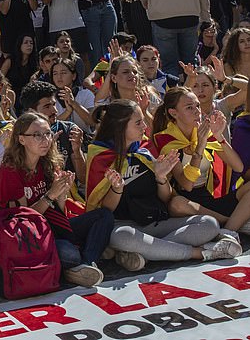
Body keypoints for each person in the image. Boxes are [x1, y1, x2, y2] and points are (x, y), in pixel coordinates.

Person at [85, 100, 238, 272]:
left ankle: (145, 253)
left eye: (143, 120)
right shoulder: (100, 155)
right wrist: (116, 189)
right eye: (138, 123)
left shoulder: (145, 149)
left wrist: (161, 178)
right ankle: (201, 253)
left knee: (209, 224)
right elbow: (102, 211)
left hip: (155, 223)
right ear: (119, 127)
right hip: (123, 226)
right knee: (122, 237)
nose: (144, 126)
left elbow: (167, 198)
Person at [0, 113, 113, 287]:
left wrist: (61, 194)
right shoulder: (10, 171)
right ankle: (80, 264)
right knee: (69, 254)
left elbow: (60, 212)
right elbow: (22, 221)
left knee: (104, 216)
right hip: (30, 236)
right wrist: (50, 195)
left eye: (48, 134)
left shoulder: (48, 163)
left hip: (53, 225)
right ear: (21, 139)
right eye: (37, 135)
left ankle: (86, 264)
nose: (45, 139)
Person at [147, 86, 250, 235]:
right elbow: (187, 185)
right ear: (173, 113)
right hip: (187, 202)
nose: (197, 111)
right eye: (189, 107)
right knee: (177, 204)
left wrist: (219, 136)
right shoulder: (166, 139)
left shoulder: (203, 131)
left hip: (210, 199)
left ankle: (227, 231)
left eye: (197, 106)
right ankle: (233, 223)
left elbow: (238, 166)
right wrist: (200, 147)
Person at [51, 59, 95, 130]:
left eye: (63, 73)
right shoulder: (51, 98)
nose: (59, 77)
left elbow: (92, 121)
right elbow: (50, 125)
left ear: (74, 76)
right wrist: (67, 112)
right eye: (55, 73)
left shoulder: (86, 93)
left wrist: (73, 103)